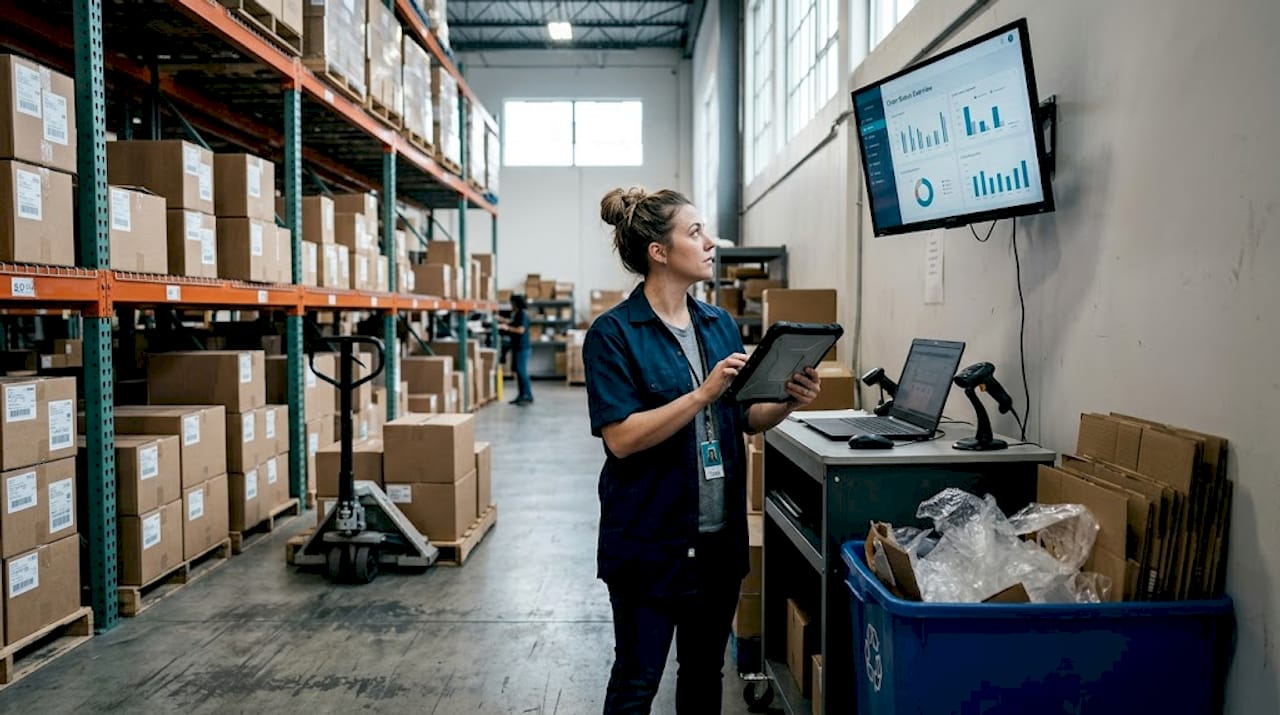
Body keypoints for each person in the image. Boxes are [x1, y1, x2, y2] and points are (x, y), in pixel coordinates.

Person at [584, 187, 822, 714]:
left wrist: (786, 399)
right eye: (695, 233)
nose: (711, 243)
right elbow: (621, 438)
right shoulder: (614, 334)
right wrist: (701, 394)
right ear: (659, 252)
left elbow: (746, 418)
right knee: (637, 681)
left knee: (703, 675)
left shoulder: (718, 325)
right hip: (649, 542)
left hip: (718, 545)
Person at [499, 294, 533, 405]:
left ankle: (528, 395)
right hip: (518, 347)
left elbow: (520, 330)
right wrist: (502, 320)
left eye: (512, 303)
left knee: (522, 372)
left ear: (516, 303)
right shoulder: (518, 314)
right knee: (519, 372)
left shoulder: (523, 314)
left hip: (523, 348)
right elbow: (514, 323)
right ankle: (521, 395)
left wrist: (507, 328)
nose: (510, 305)